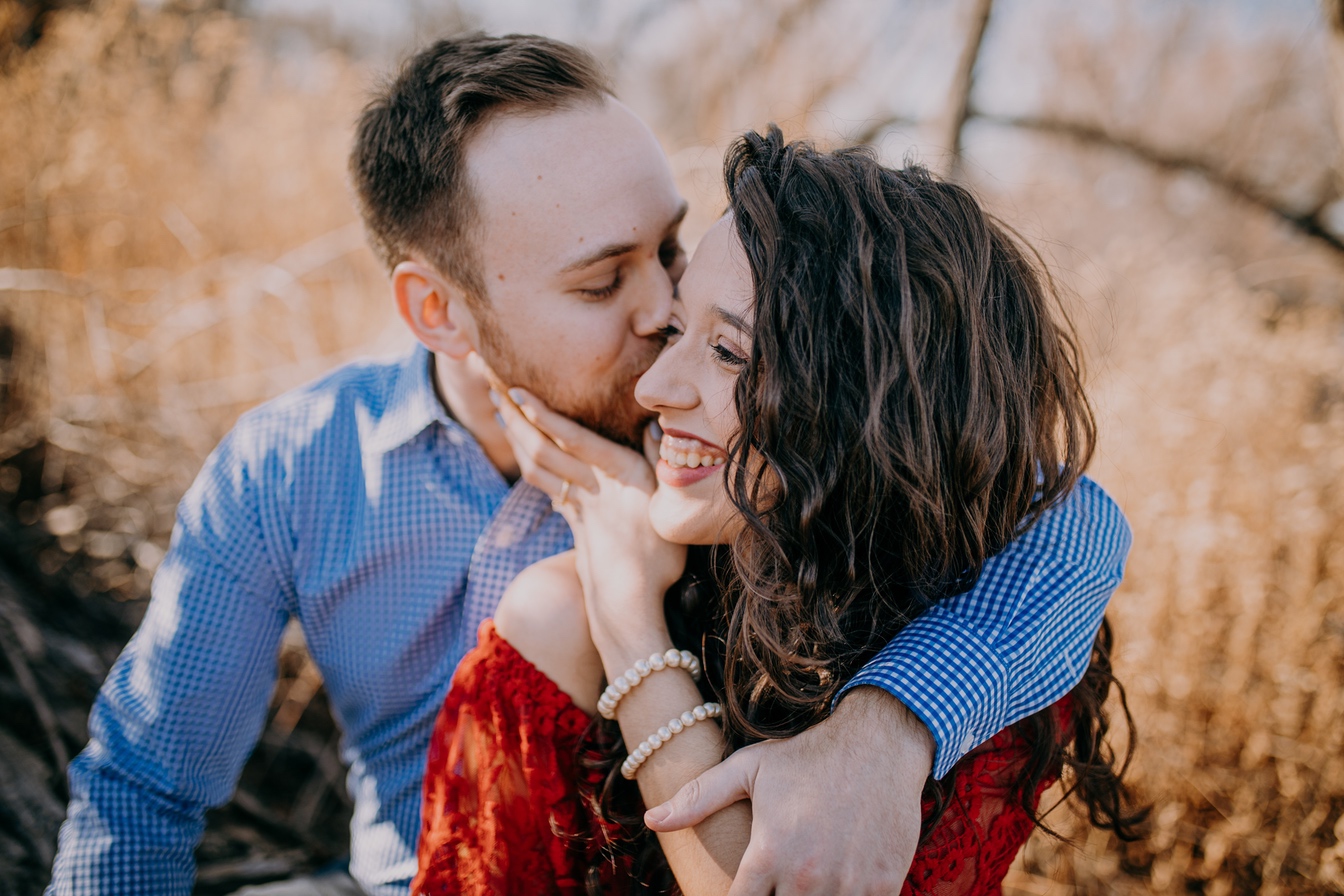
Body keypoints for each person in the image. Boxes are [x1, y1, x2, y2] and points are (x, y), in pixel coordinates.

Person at [47, 35, 1131, 896]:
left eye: (666, 243)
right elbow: (144, 784)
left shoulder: (729, 432)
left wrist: (891, 724)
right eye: (601, 280)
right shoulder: (293, 472)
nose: (662, 312)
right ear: (441, 311)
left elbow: (1072, 520)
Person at [415, 128, 1143, 895]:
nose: (654, 389)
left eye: (729, 353)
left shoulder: (1011, 655)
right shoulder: (552, 623)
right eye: (674, 331)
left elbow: (1074, 506)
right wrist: (620, 608)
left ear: (873, 415)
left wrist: (631, 620)